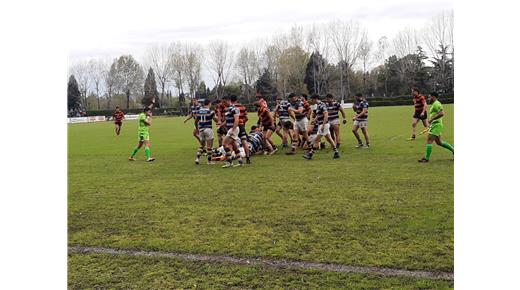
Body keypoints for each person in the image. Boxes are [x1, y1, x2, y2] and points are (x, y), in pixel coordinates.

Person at [418, 92, 454, 163]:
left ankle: (426, 158)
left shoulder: (437, 104)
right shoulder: (434, 104)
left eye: (429, 97)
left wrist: (432, 119)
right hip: (435, 125)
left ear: (433, 97)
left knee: (429, 140)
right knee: (439, 142)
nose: (428, 98)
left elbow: (442, 113)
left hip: (436, 125)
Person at [303, 94, 340, 160]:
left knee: (316, 139)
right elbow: (319, 115)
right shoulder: (318, 105)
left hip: (324, 125)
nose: (311, 101)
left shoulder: (322, 105)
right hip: (322, 124)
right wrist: (315, 120)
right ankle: (336, 152)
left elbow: (326, 115)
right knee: (329, 139)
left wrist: (323, 125)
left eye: (312, 99)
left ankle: (310, 154)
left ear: (315, 98)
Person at [220, 95, 244, 168]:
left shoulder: (235, 109)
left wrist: (233, 130)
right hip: (230, 129)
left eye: (224, 102)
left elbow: (236, 120)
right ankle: (240, 162)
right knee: (234, 146)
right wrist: (221, 125)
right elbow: (227, 120)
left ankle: (229, 162)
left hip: (234, 129)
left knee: (224, 144)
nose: (223, 104)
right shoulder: (227, 109)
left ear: (228, 100)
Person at [194, 99, 219, 165]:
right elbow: (216, 120)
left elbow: (196, 121)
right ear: (209, 103)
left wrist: (197, 128)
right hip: (208, 129)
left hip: (201, 130)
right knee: (209, 147)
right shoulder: (210, 111)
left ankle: (197, 158)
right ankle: (209, 161)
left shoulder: (199, 111)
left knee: (202, 146)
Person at [234, 99, 251, 164]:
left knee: (233, 142)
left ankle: (233, 158)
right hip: (241, 126)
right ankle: (248, 158)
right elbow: (246, 118)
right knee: (244, 141)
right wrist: (242, 122)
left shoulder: (230, 107)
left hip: (234, 127)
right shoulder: (243, 107)